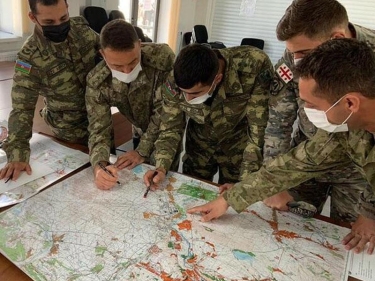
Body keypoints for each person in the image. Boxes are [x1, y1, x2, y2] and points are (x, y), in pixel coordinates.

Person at [188, 38, 375, 255]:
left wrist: (370, 212)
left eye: (311, 105)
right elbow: (292, 165)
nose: (303, 111)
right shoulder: (344, 131)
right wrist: (231, 198)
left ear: (350, 103)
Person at [263, 0, 375, 221]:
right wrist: (273, 181)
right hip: (307, 156)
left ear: (336, 40)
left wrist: (370, 211)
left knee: (348, 240)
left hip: (359, 171)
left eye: (303, 52)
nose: (297, 61)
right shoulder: (293, 59)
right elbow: (278, 121)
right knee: (291, 226)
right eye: (292, 52)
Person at [143, 44, 273, 189]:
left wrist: (245, 184)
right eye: (184, 92)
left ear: (217, 79)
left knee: (231, 200)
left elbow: (258, 131)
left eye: (195, 94)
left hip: (238, 148)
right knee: (191, 194)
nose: (188, 99)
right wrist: (161, 167)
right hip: (199, 147)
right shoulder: (176, 78)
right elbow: (170, 129)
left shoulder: (254, 65)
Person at [0, 0, 99, 181]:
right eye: (49, 22)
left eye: (63, 17)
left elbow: (106, 51)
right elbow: (22, 107)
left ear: (68, 8)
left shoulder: (81, 28)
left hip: (101, 121)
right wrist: (17, 154)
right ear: (32, 17)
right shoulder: (29, 57)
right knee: (80, 182)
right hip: (70, 130)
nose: (59, 26)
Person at [85, 20, 180, 190]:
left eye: (133, 62)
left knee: (162, 181)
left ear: (139, 45)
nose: (127, 71)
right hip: (137, 129)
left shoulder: (163, 59)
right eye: (118, 66)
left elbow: (166, 113)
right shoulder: (97, 80)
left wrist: (142, 151)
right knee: (138, 180)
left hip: (167, 132)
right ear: (103, 54)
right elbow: (98, 130)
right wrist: (99, 166)